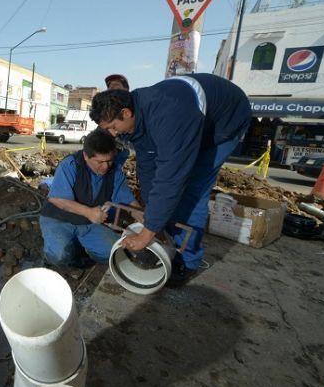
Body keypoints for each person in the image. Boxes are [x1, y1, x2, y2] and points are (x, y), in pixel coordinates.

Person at [90, 73, 252, 285]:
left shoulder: (168, 115)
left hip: (224, 123)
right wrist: (150, 211)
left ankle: (188, 261)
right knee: (162, 197)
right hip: (189, 119)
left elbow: (171, 178)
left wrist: (147, 234)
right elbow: (148, 169)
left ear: (126, 113)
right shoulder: (136, 121)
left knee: (193, 192)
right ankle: (171, 237)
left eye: (112, 127)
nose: (112, 134)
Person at [40, 129, 138, 267]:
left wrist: (149, 226)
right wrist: (89, 212)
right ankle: (53, 255)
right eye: (100, 162)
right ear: (86, 156)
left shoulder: (114, 172)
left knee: (114, 252)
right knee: (60, 256)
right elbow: (57, 199)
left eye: (109, 160)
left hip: (87, 223)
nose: (105, 166)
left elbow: (130, 203)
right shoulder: (71, 165)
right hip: (59, 218)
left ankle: (84, 249)